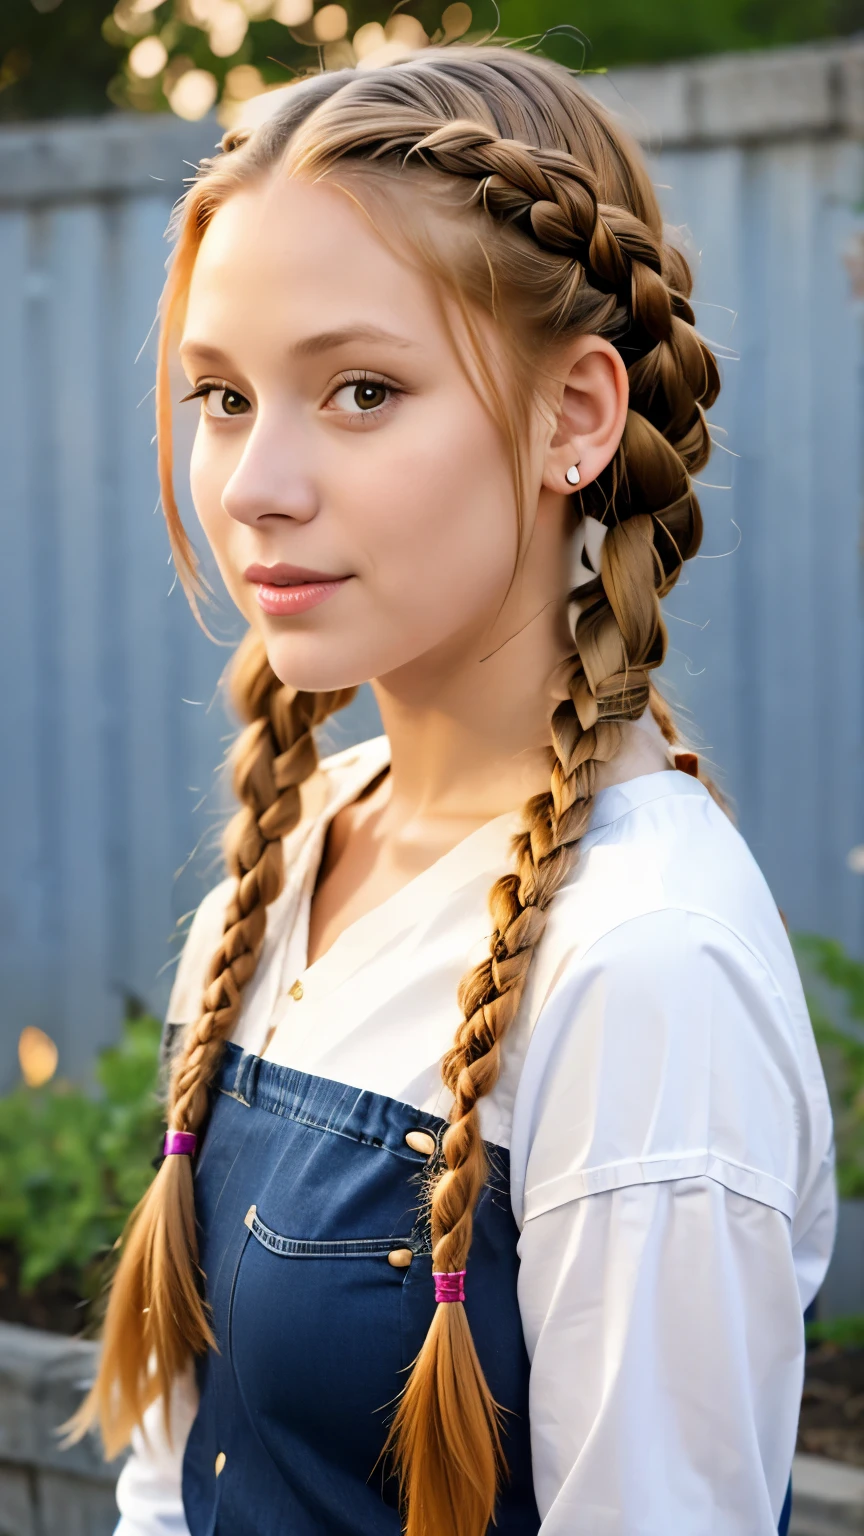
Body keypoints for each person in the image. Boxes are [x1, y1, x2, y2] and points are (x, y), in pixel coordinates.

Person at [65, 41, 835, 1536]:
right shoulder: (287, 863)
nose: (252, 485)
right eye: (220, 397)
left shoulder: (642, 968)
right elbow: (170, 1483)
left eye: (359, 390)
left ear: (576, 419)